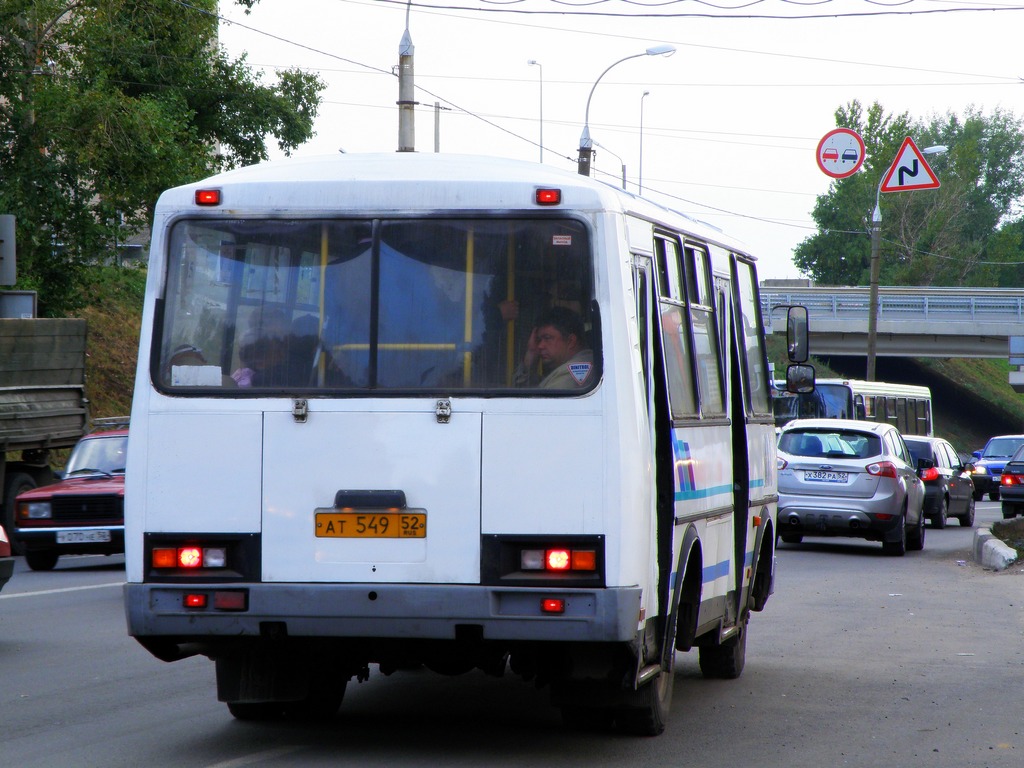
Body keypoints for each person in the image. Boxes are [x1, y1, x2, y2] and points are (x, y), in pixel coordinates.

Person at [513, 306, 594, 389]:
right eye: (539, 340)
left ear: (571, 341)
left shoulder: (574, 371)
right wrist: (531, 354)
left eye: (547, 338)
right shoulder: (580, 365)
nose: (540, 346)